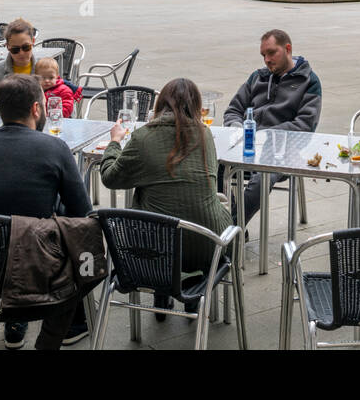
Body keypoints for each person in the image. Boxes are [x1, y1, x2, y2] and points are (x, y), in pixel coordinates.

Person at [0, 74, 92, 349]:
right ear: (36, 109)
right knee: (78, 235)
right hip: (31, 268)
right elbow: (83, 214)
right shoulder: (54, 147)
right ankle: (71, 323)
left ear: (0, 110)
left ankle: (16, 321)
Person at [99, 77, 233, 318]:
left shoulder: (143, 137)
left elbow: (110, 178)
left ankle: (162, 291)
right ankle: (193, 288)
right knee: (216, 200)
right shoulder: (205, 135)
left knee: (148, 202)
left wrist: (114, 142)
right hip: (207, 244)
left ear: (160, 104)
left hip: (156, 248)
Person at [224, 29, 322, 223]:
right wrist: (237, 128)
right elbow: (233, 110)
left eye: (271, 53)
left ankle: (231, 229)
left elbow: (305, 126)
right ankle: (221, 220)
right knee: (210, 164)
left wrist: (263, 135)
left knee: (262, 178)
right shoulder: (257, 77)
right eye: (263, 55)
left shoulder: (309, 81)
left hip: (282, 151)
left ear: (287, 49)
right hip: (246, 143)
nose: (267, 60)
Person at [0, 17, 37, 100]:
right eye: (15, 49)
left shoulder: (45, 70)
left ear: (33, 42)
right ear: (7, 46)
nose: (21, 53)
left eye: (26, 47)